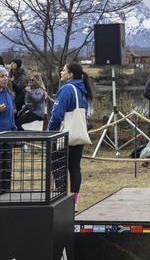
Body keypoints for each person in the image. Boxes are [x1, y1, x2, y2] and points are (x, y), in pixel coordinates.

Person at [48, 61, 93, 206]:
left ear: (70, 75)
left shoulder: (66, 89)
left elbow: (57, 114)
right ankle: (73, 202)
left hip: (63, 135)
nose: (61, 73)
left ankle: (62, 201)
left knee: (58, 168)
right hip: (78, 134)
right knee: (74, 168)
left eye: (63, 70)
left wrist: (51, 130)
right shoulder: (83, 89)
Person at [0, 66, 16, 194]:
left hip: (8, 136)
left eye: (6, 76)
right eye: (2, 76)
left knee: (7, 167)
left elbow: (11, 115)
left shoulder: (8, 94)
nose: (5, 79)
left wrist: (14, 129)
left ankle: (6, 193)